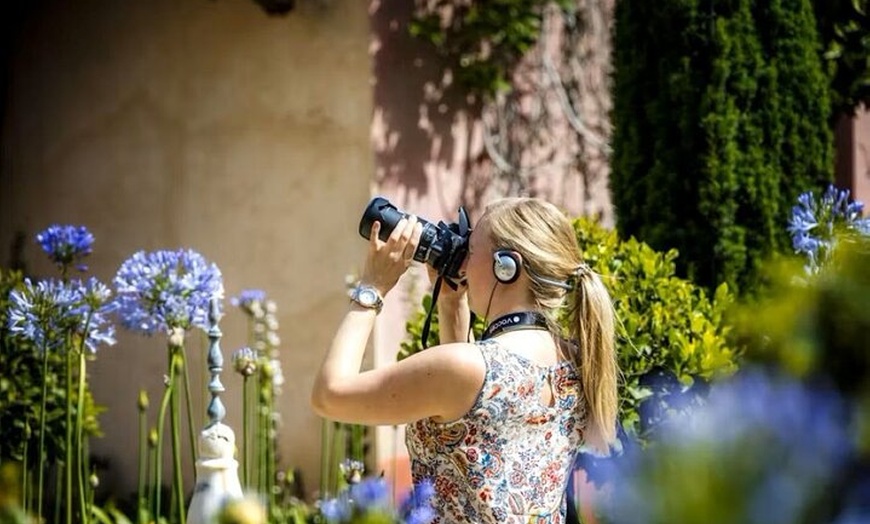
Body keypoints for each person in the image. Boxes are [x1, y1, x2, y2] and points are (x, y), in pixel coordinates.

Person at [311, 197, 618, 523]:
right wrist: (451, 302)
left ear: (506, 266)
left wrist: (371, 288)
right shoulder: (576, 361)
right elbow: (468, 425)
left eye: (470, 250)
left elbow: (329, 395)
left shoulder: (465, 367)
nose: (463, 262)